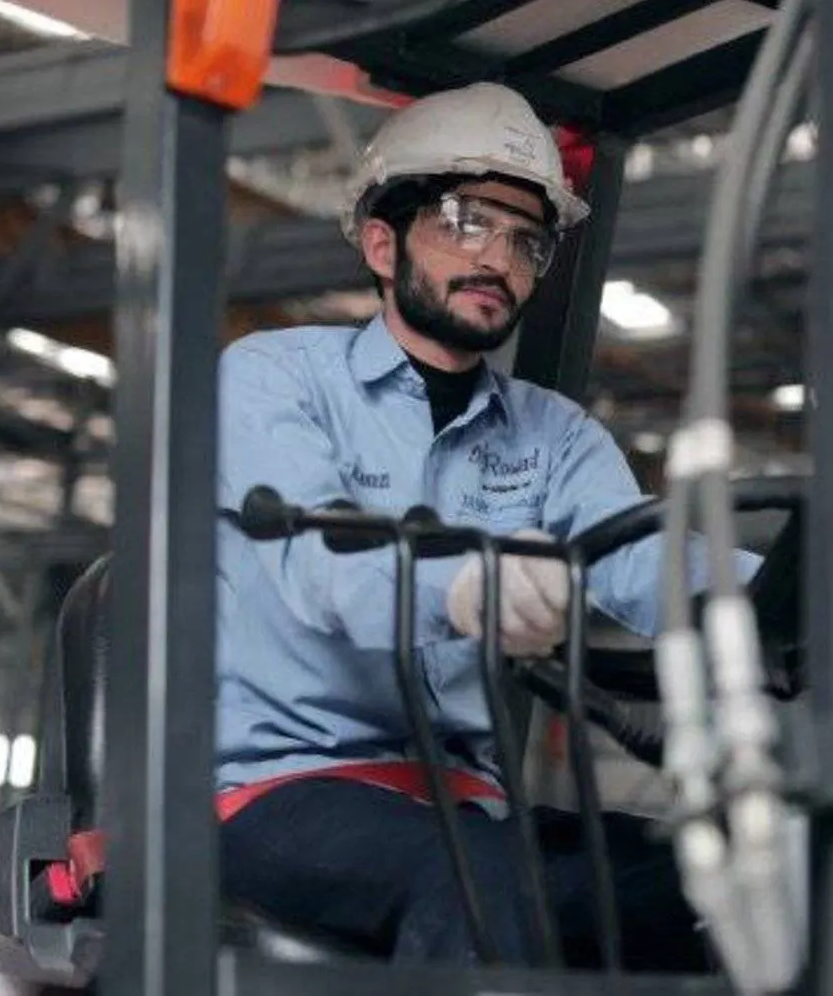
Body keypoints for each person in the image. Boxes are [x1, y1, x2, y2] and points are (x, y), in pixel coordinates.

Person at [214, 81, 752, 970]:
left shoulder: (553, 433)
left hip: (470, 810)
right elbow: (326, 562)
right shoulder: (276, 381)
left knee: (720, 868)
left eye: (525, 239)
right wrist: (467, 583)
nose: (498, 257)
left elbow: (644, 557)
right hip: (278, 796)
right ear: (383, 244)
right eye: (467, 221)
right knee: (474, 876)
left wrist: (794, 603)